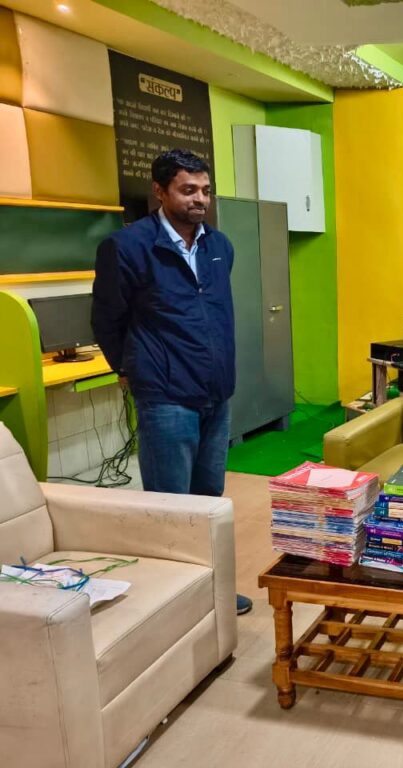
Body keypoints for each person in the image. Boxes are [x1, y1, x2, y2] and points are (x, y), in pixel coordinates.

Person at [92, 148, 252, 616]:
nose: (199, 199)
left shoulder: (219, 246)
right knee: (169, 506)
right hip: (165, 396)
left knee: (207, 500)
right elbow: (106, 319)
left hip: (216, 392)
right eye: (188, 190)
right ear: (160, 191)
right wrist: (128, 369)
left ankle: (211, 590)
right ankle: (175, 604)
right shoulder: (128, 247)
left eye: (205, 190)